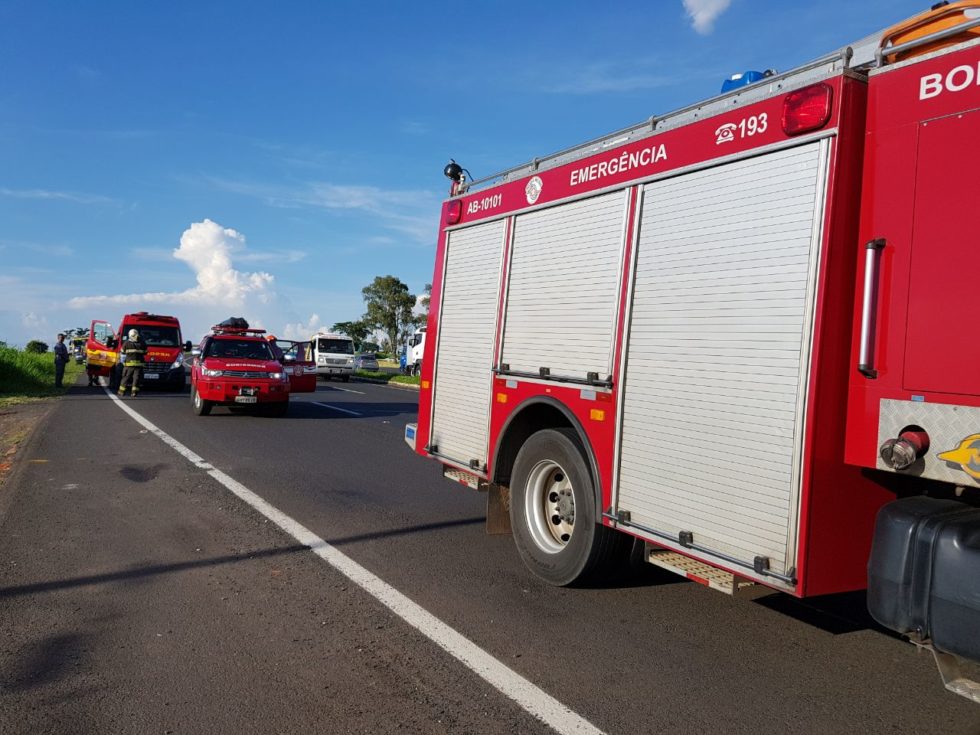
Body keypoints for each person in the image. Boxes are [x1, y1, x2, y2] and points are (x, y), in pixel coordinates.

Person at [117, 328, 146, 397]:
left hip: (128, 365)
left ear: (130, 335)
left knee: (125, 378)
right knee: (136, 379)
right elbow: (145, 352)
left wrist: (122, 362)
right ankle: (134, 392)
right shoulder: (142, 343)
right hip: (138, 366)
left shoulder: (126, 343)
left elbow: (122, 352)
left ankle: (121, 392)